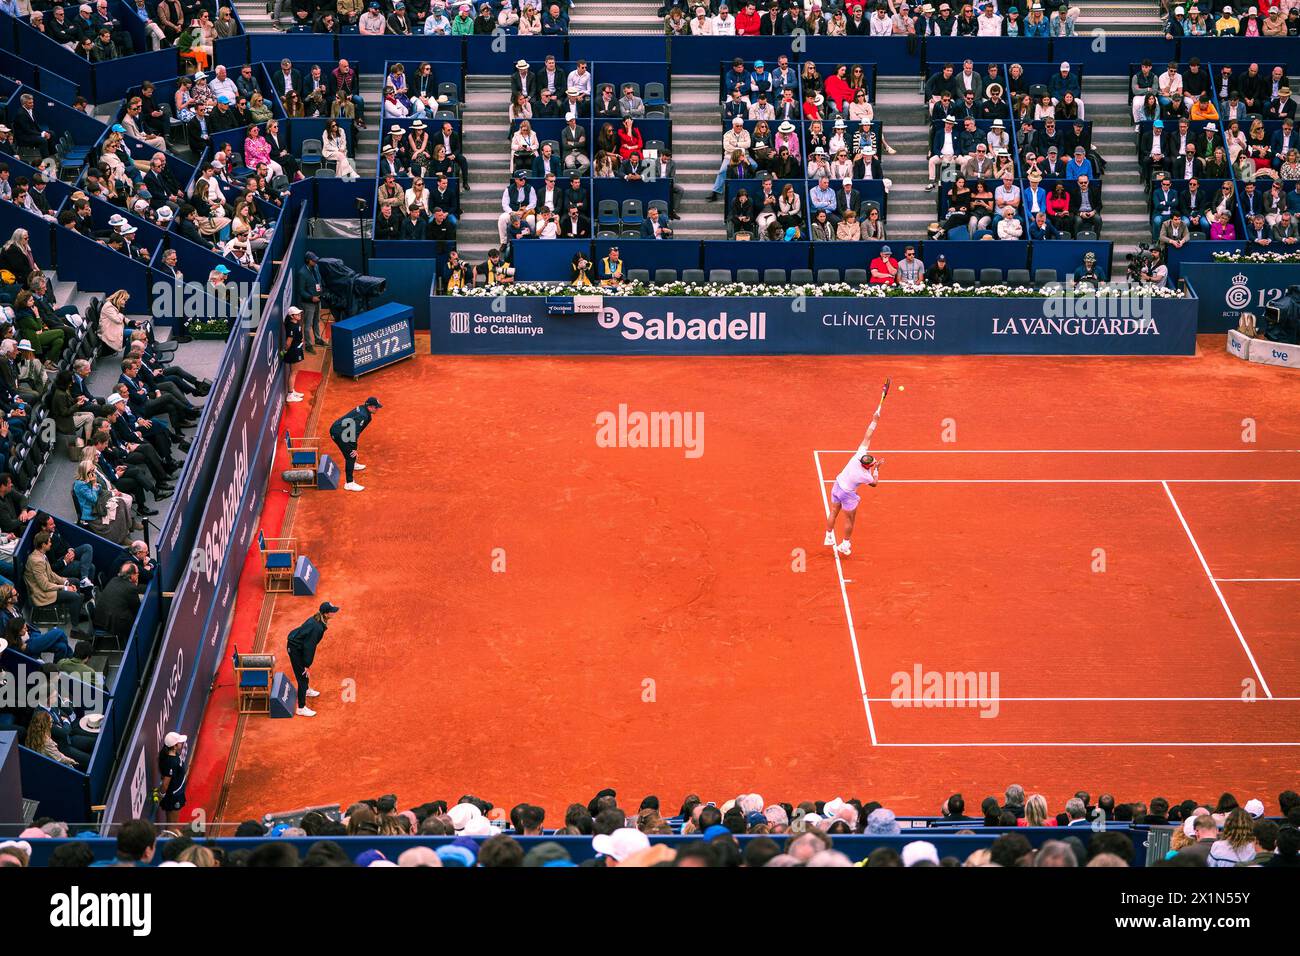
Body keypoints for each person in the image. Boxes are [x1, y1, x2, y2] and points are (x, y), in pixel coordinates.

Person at [824, 408, 885, 557]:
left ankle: (828, 535)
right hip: (847, 494)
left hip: (837, 485)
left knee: (833, 511)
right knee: (850, 519)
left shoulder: (859, 455)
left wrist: (874, 421)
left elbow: (867, 436)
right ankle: (845, 544)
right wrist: (876, 469)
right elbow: (875, 483)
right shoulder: (865, 476)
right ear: (868, 465)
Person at [286, 602, 339, 717]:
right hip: (295, 649)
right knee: (303, 677)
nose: (334, 612)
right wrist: (306, 664)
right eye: (332, 611)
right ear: (325, 614)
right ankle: (301, 708)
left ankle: (306, 690)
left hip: (298, 646)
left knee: (304, 676)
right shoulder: (317, 628)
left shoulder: (318, 619)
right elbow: (309, 646)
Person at [25, 531, 86, 624]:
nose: (51, 543)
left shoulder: (42, 555)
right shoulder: (36, 561)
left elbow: (51, 573)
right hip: (43, 594)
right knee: (75, 597)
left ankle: (75, 610)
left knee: (76, 581)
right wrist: (65, 588)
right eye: (49, 542)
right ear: (43, 545)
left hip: (49, 586)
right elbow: (45, 586)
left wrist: (65, 582)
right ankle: (75, 625)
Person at [329, 397, 381, 492]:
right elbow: (354, 433)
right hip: (338, 433)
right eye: (376, 407)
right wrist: (354, 449)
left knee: (350, 453)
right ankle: (349, 483)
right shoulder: (363, 416)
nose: (377, 409)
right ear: (369, 407)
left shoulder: (364, 410)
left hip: (342, 430)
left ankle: (352, 464)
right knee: (351, 456)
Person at [157, 731, 188, 824]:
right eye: (179, 742)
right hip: (174, 797)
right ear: (174, 746)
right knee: (172, 825)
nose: (181, 743)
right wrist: (161, 795)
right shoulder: (171, 762)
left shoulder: (173, 755)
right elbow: (165, 784)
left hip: (177, 793)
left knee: (172, 824)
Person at [296, 252, 324, 352]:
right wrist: (311, 298)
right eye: (313, 260)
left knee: (316, 321)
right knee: (307, 325)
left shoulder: (316, 267)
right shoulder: (302, 273)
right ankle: (308, 344)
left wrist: (321, 291)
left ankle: (318, 339)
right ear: (308, 261)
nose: (316, 261)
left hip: (318, 300)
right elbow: (301, 290)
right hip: (308, 303)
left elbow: (319, 280)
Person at [283, 306, 306, 403]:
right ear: (292, 316)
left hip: (297, 349)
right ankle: (290, 395)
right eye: (297, 314)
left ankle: (292, 391)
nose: (299, 315)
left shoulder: (297, 324)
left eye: (299, 313)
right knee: (293, 373)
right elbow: (288, 342)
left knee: (295, 372)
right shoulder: (292, 326)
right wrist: (283, 352)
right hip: (293, 352)